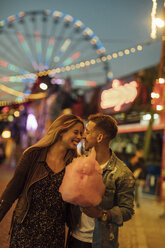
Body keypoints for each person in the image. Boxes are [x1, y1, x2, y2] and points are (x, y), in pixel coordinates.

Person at [0, 114, 84, 248]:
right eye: (76, 132)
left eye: (81, 133)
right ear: (61, 131)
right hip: (26, 228)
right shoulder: (33, 155)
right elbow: (12, 191)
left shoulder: (75, 164)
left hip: (54, 233)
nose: (80, 137)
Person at [67, 113, 135, 248]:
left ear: (99, 137)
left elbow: (127, 210)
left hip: (100, 242)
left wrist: (100, 214)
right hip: (74, 238)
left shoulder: (121, 173)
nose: (83, 136)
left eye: (87, 132)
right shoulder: (80, 163)